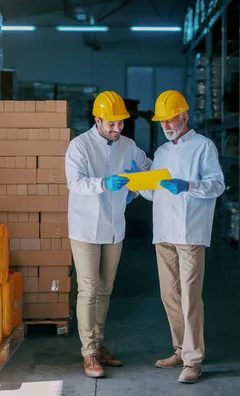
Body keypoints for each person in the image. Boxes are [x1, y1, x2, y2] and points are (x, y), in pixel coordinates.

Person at [139, 90, 225, 384]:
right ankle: (179, 349)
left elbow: (216, 186)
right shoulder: (161, 152)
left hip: (189, 233)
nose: (165, 125)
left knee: (190, 299)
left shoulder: (204, 147)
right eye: (161, 121)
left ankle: (193, 360)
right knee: (170, 296)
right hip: (163, 232)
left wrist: (187, 185)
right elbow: (154, 192)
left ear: (184, 117)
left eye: (170, 119)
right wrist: (135, 183)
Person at [65, 91, 152, 378]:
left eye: (121, 124)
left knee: (105, 288)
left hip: (114, 227)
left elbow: (148, 170)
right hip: (86, 228)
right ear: (97, 119)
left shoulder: (128, 145)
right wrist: (104, 183)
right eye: (111, 124)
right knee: (88, 289)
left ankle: (99, 345)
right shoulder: (80, 146)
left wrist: (137, 188)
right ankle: (89, 352)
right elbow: (75, 183)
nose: (117, 129)